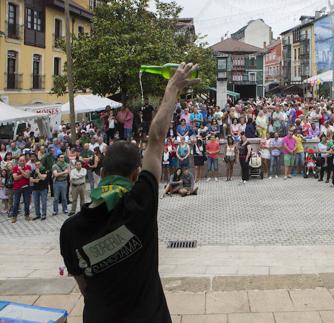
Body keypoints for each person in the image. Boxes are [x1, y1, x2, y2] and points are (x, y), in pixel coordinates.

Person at [60, 62, 199, 323]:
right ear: (136, 175)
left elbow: (84, 287)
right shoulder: (141, 204)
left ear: (100, 173)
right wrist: (172, 88)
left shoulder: (69, 230)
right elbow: (156, 139)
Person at [11, 156, 32, 223]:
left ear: (25, 161)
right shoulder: (14, 168)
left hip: (26, 187)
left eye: (23, 160)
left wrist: (20, 170)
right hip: (17, 188)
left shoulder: (28, 167)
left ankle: (27, 215)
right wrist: (24, 173)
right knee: (16, 203)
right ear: (18, 161)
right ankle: (14, 216)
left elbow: (28, 176)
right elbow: (15, 178)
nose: (22, 162)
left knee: (27, 202)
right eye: (21, 160)